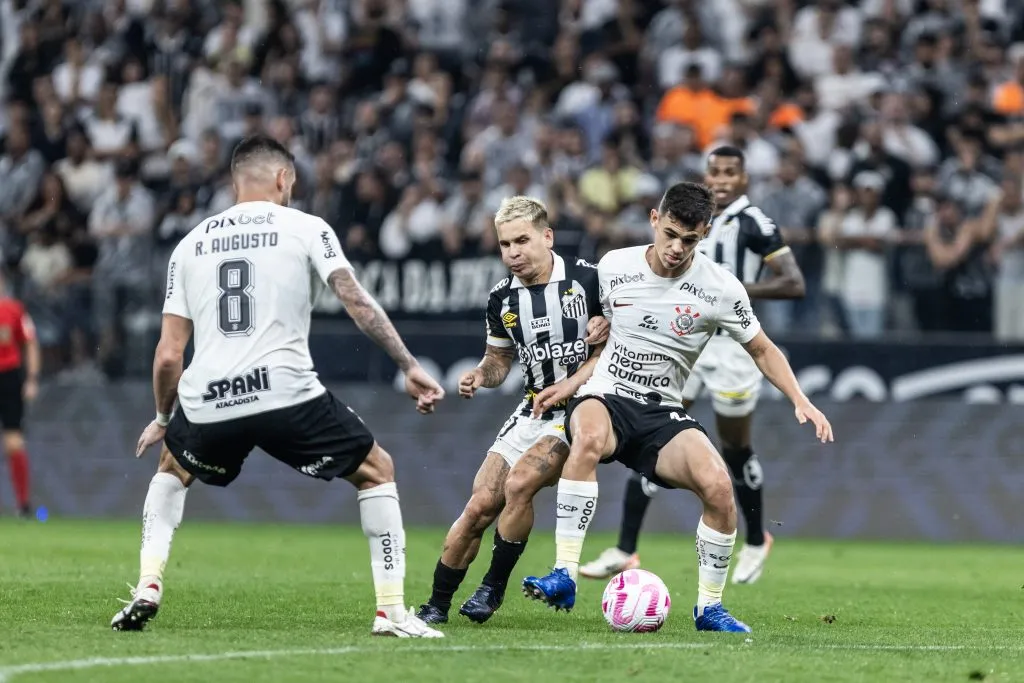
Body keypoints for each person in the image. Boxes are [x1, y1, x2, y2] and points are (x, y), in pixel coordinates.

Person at [111, 135, 446, 638]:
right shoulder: (306, 227)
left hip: (209, 400)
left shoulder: (190, 243)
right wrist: (407, 363)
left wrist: (164, 419)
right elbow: (355, 299)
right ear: (284, 178)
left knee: (173, 467)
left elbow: (168, 354)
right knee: (378, 471)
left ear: (234, 181)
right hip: (284, 393)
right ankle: (392, 612)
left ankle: (146, 586)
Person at [521, 181, 832, 633]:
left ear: (704, 233)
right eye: (669, 233)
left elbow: (763, 349)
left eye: (689, 239)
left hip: (663, 411)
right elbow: (592, 325)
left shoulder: (720, 288)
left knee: (720, 488)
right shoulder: (614, 266)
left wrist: (800, 399)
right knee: (586, 437)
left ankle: (709, 608)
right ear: (654, 220)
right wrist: (581, 358)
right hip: (608, 394)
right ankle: (564, 573)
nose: (676, 248)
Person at [580, 146, 806, 585]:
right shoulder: (686, 216)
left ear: (743, 180)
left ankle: (757, 537)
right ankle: (626, 548)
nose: (721, 180)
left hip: (733, 349)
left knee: (734, 448)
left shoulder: (754, 223)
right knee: (653, 425)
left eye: (730, 173)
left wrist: (732, 300)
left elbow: (794, 283)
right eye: (714, 172)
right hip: (683, 342)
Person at [416, 196, 608, 625]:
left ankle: (492, 588)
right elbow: (499, 361)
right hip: (532, 407)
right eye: (504, 245)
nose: (513, 253)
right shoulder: (501, 298)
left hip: (582, 408)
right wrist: (479, 375)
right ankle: (436, 605)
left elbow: (617, 346)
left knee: (520, 484)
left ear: (547, 236)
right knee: (480, 505)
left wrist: (606, 328)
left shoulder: (591, 280)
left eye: (522, 241)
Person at [0, 279, 40, 518]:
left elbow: (30, 342)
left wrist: (32, 378)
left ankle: (23, 505)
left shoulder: (14, 309)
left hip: (8, 378)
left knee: (14, 441)